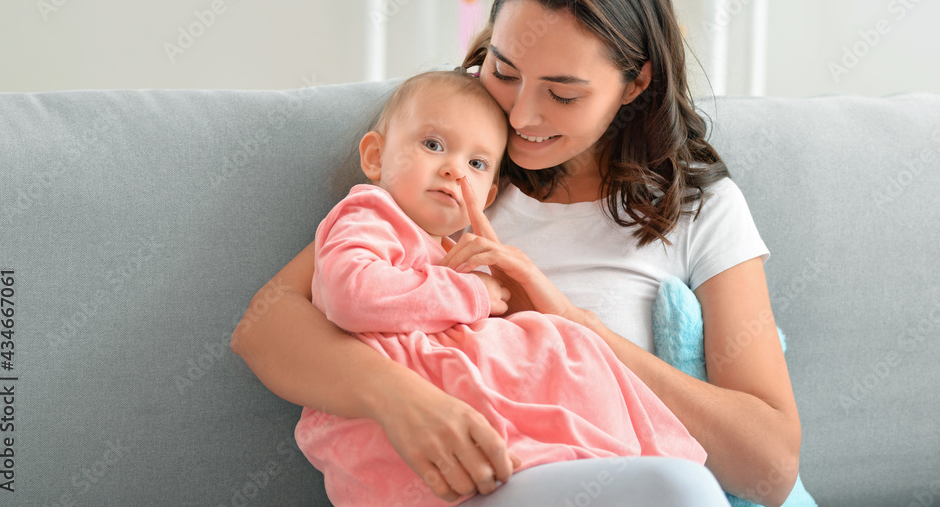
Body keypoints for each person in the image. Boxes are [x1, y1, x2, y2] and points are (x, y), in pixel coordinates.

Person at [232, 0, 800, 507]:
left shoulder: (697, 211)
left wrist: (581, 328)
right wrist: (400, 400)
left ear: (635, 83)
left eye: (563, 93)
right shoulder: (450, 173)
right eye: (504, 72)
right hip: (463, 487)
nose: (522, 115)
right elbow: (267, 326)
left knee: (675, 487)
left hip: (611, 485)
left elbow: (771, 465)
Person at [297, 70, 708, 506]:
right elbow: (352, 292)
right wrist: (473, 294)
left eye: (476, 164)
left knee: (564, 340)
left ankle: (608, 453)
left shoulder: (448, 247)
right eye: (433, 145)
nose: (454, 168)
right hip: (409, 439)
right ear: (376, 156)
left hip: (470, 433)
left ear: (489, 194)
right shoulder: (370, 212)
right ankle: (605, 457)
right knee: (554, 341)